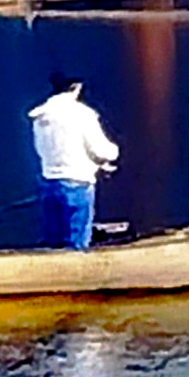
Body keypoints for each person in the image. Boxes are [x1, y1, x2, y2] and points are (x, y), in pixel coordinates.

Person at [27, 74, 120, 250]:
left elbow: (44, 150)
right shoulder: (81, 114)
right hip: (77, 184)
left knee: (53, 241)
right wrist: (113, 153)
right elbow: (101, 149)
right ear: (75, 87)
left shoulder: (40, 116)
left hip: (49, 181)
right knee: (76, 243)